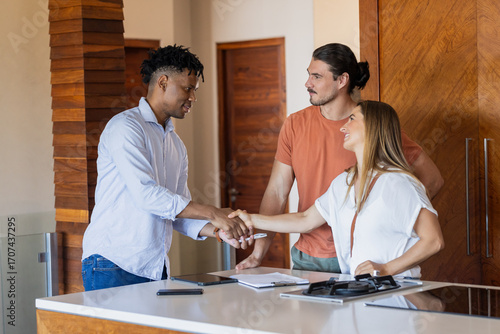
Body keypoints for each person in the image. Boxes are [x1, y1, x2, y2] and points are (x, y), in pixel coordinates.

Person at [236, 43, 444, 273]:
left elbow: (431, 184)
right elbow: (284, 200)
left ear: (342, 80)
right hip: (308, 256)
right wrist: (257, 250)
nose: (308, 83)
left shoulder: (374, 127)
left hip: (360, 256)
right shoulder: (299, 129)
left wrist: (385, 222)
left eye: (316, 76)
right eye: (309, 75)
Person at [81, 45, 249, 291]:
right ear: (162, 82)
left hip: (153, 267)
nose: (193, 97)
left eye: (195, 90)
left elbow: (177, 211)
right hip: (112, 264)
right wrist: (213, 212)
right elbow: (147, 196)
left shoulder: (176, 145)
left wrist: (218, 231)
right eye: (188, 88)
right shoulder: (125, 128)